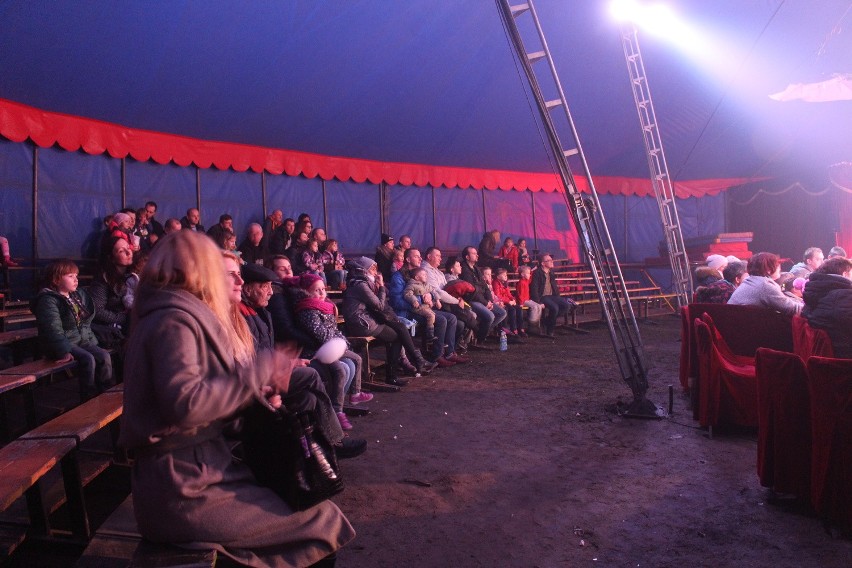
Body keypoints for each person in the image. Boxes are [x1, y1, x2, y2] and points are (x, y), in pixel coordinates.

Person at [118, 231, 355, 566]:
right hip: (184, 485)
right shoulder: (173, 320)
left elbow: (206, 400)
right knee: (319, 523)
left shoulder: (176, 314)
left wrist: (256, 397)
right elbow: (186, 404)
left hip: (200, 471)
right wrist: (256, 374)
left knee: (312, 512)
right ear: (200, 270)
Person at [341, 256, 434, 385]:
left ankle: (402, 369)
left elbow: (381, 304)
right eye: (373, 270)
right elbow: (379, 305)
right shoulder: (360, 285)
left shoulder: (363, 283)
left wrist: (380, 288)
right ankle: (398, 372)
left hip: (369, 319)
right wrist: (382, 287)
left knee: (399, 331)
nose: (375, 273)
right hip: (362, 323)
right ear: (363, 270)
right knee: (397, 336)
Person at [295, 274, 373, 425]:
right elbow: (320, 333)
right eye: (316, 290)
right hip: (318, 352)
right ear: (306, 292)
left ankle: (353, 394)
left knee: (356, 359)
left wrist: (342, 341)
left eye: (323, 289)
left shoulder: (325, 307)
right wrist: (338, 342)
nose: (322, 293)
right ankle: (336, 410)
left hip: (332, 346)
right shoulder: (307, 310)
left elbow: (335, 330)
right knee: (341, 370)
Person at [31, 259, 113, 399]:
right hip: (63, 343)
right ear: (56, 279)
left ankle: (105, 395)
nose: (76, 280)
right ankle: (88, 398)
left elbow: (85, 322)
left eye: (76, 276)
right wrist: (63, 350)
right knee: (88, 359)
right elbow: (52, 328)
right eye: (70, 276)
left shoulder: (76, 297)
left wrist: (91, 341)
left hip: (81, 340)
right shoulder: (48, 300)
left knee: (104, 356)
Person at [802, 256, 852, 358]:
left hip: (825, 355)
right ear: (845, 274)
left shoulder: (815, 291)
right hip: (844, 357)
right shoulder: (843, 296)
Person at [89, 236, 133, 346]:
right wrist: (123, 318)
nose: (129, 252)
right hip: (114, 329)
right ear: (111, 258)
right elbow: (97, 310)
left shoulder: (134, 274)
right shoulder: (103, 279)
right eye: (121, 251)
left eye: (128, 247)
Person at [727, 252, 802, 316]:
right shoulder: (765, 285)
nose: (780, 268)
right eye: (777, 265)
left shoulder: (750, 280)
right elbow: (792, 309)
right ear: (768, 270)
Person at [459, 246, 506, 345]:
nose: (477, 255)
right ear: (467, 257)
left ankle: (480, 332)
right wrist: (485, 303)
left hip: (483, 299)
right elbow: (473, 290)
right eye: (474, 253)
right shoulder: (464, 269)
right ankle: (480, 339)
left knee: (502, 313)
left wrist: (489, 300)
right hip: (471, 300)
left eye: (476, 253)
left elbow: (484, 286)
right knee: (490, 316)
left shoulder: (476, 268)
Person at [530, 254, 577, 337]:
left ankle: (547, 321)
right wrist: (537, 301)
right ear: (543, 263)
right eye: (549, 260)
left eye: (551, 259)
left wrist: (558, 297)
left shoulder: (551, 272)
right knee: (555, 308)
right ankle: (550, 331)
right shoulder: (537, 273)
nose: (552, 261)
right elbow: (534, 288)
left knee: (566, 305)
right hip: (543, 296)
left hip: (552, 296)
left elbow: (554, 286)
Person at [492, 267, 524, 339]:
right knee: (512, 310)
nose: (506, 276)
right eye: (504, 275)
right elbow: (498, 296)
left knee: (519, 308)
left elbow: (509, 294)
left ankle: (520, 328)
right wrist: (509, 301)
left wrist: (513, 300)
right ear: (498, 276)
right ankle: (513, 330)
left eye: (506, 274)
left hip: (508, 301)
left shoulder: (505, 283)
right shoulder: (495, 283)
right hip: (501, 302)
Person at [515, 264, 543, 335]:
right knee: (534, 307)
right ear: (522, 274)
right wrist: (521, 303)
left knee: (538, 306)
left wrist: (532, 271)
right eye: (527, 273)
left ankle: (536, 324)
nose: (529, 275)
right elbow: (520, 294)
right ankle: (531, 325)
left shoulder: (526, 281)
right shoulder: (521, 283)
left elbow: (530, 279)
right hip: (523, 301)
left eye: (529, 273)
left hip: (527, 299)